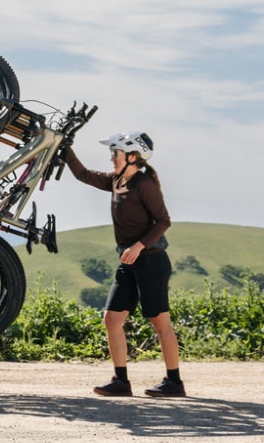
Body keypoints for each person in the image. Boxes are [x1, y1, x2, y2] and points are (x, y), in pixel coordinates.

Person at [65, 132, 185, 398]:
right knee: (112, 319)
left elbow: (163, 221)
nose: (111, 158)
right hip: (128, 262)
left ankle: (174, 383)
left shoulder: (144, 184)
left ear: (133, 157)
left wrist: (139, 246)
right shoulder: (116, 180)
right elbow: (82, 174)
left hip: (151, 260)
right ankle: (121, 381)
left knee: (160, 322)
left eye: (115, 153)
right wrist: (64, 148)